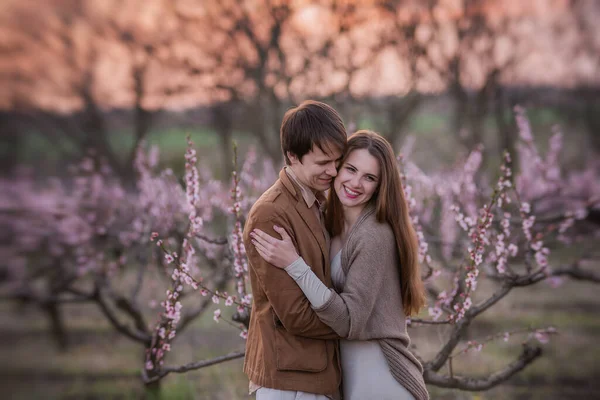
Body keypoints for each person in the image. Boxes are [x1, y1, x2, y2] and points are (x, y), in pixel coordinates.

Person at [250, 130, 429, 400]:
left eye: (369, 177)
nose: (355, 183)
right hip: (349, 379)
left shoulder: (374, 235)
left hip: (380, 379)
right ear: (337, 167)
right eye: (351, 169)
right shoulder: (327, 223)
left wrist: (294, 264)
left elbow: (349, 321)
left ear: (380, 185)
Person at [242, 100, 348, 399]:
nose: (334, 170)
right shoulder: (270, 215)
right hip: (291, 382)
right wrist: (356, 322)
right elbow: (295, 315)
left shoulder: (319, 201)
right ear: (292, 157)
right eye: (323, 162)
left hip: (317, 372)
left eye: (338, 160)